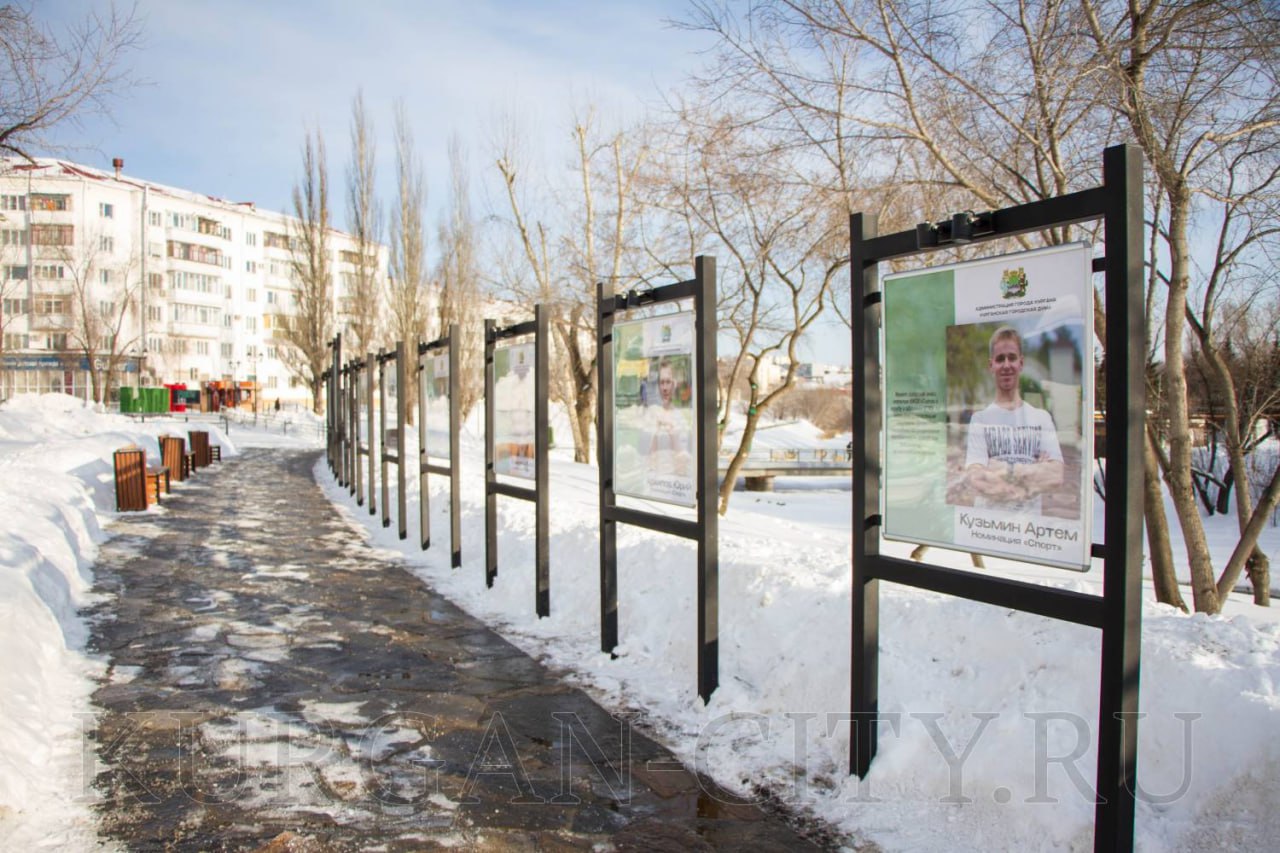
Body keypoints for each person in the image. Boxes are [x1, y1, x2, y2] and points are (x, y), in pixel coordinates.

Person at [963, 326, 1064, 512]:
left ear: (1021, 363)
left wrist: (998, 471)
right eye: (1000, 359)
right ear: (991, 365)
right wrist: (1033, 471)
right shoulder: (980, 420)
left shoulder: (1041, 418)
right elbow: (975, 478)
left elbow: (1056, 476)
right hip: (988, 526)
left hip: (1028, 529)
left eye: (1012, 357)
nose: (1007, 365)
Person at [646, 357, 692, 476]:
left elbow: (684, 464)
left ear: (674, 383)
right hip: (655, 482)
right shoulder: (652, 414)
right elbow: (648, 460)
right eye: (662, 382)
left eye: (668, 382)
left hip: (674, 484)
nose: (665, 388)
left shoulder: (682, 416)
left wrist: (672, 431)